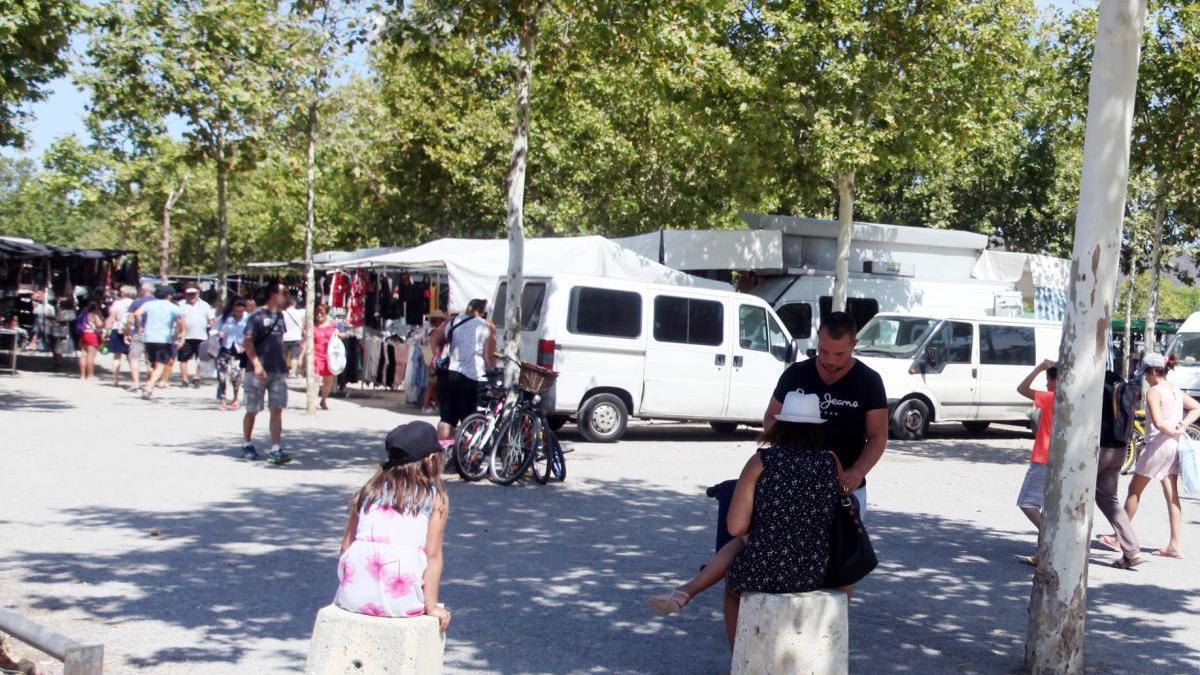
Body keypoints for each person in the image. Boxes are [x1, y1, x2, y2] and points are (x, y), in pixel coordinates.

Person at [646, 393, 841, 647]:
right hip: (815, 569)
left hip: (766, 568)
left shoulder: (761, 462)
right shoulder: (830, 461)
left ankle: (740, 658)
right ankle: (685, 591)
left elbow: (735, 526)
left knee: (734, 580)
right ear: (816, 428)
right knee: (746, 544)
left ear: (779, 426)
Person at [333, 421, 451, 630]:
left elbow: (346, 546)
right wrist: (431, 606)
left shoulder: (368, 491)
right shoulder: (435, 498)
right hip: (401, 601)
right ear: (432, 460)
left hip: (351, 596)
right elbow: (433, 555)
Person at [1122, 353, 1200, 559]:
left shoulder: (1154, 392)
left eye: (1146, 373)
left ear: (1154, 371)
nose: (1145, 378)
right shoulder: (1174, 389)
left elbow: (1157, 422)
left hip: (1157, 446)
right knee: (1172, 495)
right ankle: (1175, 544)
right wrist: (1181, 426)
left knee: (1134, 491)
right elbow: (1197, 408)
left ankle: (1118, 536)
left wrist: (1172, 430)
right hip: (1174, 446)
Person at [1095, 369, 1143, 569]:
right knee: (1109, 499)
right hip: (1121, 448)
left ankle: (1067, 545)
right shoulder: (1118, 382)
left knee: (1073, 493)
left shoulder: (1095, 384)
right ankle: (1131, 550)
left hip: (1100, 448)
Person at [242, 281, 292, 464]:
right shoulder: (257, 316)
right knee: (252, 409)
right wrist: (256, 364)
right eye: (284, 293)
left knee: (277, 409)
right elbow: (247, 341)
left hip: (278, 370)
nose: (287, 297)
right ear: (273, 295)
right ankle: (246, 443)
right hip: (257, 371)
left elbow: (280, 342)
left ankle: (275, 448)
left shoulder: (280, 316)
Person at [436, 299, 497, 442]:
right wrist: (494, 370)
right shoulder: (487, 326)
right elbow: (489, 357)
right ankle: (463, 456)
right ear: (483, 312)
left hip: (450, 373)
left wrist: (436, 357)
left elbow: (434, 338)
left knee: (447, 419)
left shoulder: (453, 321)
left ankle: (443, 453)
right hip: (473, 377)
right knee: (470, 420)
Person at [1016, 360, 1058, 535]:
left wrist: (1039, 368)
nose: (1047, 384)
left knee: (1027, 503)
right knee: (1049, 506)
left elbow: (1022, 388)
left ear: (1055, 380)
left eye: (1048, 380)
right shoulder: (1072, 400)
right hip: (1058, 459)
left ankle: (1049, 536)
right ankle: (1042, 553)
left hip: (1043, 457)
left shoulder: (1050, 398)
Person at [136, 286, 185, 398]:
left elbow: (137, 313)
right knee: (160, 366)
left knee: (152, 364)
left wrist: (139, 326)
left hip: (149, 338)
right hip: (163, 339)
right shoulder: (172, 307)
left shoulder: (149, 304)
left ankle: (150, 387)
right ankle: (148, 387)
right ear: (169, 295)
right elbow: (180, 321)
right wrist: (176, 334)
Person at [177, 287, 214, 388]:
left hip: (201, 336)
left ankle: (196, 377)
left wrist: (213, 333)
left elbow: (211, 319)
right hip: (185, 336)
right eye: (189, 294)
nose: (191, 296)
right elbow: (177, 319)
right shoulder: (181, 304)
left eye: (194, 294)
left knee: (201, 359)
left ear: (198, 294)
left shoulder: (205, 305)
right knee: (183, 358)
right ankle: (184, 379)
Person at [216, 298, 249, 411]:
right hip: (225, 349)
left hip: (239, 351)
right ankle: (222, 399)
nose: (238, 314)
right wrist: (218, 333)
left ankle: (235, 398)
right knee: (221, 377)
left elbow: (253, 335)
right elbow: (213, 329)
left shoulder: (248, 319)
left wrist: (245, 346)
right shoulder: (225, 318)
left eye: (241, 311)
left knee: (236, 376)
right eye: (236, 311)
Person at [125, 283, 156, 391]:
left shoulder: (137, 302)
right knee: (150, 360)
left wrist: (127, 333)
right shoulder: (157, 302)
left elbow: (129, 320)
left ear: (143, 290)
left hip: (139, 333)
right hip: (154, 334)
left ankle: (136, 383)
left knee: (134, 358)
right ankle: (149, 383)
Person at [310, 302, 340, 410]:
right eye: (317, 312)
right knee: (316, 379)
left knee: (328, 381)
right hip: (316, 356)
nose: (318, 315)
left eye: (321, 312)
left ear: (326, 313)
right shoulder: (312, 326)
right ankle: (312, 402)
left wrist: (341, 335)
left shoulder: (332, 326)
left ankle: (323, 400)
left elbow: (340, 336)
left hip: (328, 357)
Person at [105, 285, 136, 387]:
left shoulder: (117, 303)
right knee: (132, 358)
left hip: (117, 330)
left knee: (116, 357)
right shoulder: (135, 303)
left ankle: (116, 380)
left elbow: (111, 318)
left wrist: (107, 331)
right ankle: (135, 381)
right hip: (131, 331)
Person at [422, 311, 448, 414]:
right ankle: (426, 405)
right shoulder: (434, 332)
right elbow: (432, 347)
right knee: (432, 383)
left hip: (429, 357)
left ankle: (436, 404)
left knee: (434, 383)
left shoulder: (429, 331)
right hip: (433, 358)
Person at [76, 301, 104, 380]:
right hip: (92, 335)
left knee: (83, 354)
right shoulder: (94, 315)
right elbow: (99, 324)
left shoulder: (83, 314)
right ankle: (90, 375)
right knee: (91, 356)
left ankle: (82, 375)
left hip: (83, 334)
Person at [282, 297, 305, 378]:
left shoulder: (283, 313)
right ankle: (293, 373)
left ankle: (283, 372)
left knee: (283, 355)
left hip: (285, 336)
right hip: (296, 336)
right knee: (294, 356)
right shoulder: (300, 312)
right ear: (294, 304)